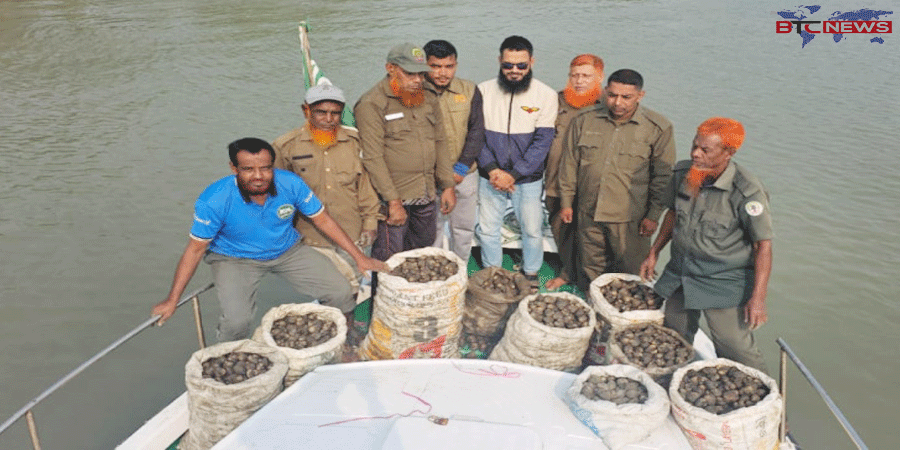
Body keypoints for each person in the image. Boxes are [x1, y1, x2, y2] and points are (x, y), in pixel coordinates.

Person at [152, 138, 388, 342]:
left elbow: (323, 220)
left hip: (287, 250)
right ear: (233, 168)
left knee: (340, 291)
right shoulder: (214, 199)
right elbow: (195, 250)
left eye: (265, 168)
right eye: (248, 169)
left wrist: (360, 258)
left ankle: (341, 340)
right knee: (237, 320)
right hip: (235, 257)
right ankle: (226, 353)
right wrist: (172, 299)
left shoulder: (291, 183)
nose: (258, 176)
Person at [639, 117, 773, 374]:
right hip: (681, 272)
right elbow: (673, 215)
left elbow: (762, 247)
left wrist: (758, 298)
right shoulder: (683, 174)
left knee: (734, 347)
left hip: (723, 280)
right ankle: (671, 380)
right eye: (694, 146)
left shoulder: (747, 192)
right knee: (674, 336)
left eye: (705, 150)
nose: (695, 154)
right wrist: (653, 253)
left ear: (728, 153)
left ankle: (767, 395)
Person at [558, 69, 674, 291]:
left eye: (626, 97)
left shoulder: (658, 128)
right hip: (588, 211)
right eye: (612, 95)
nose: (617, 102)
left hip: (629, 218)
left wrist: (653, 216)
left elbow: (663, 177)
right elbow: (569, 164)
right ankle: (593, 299)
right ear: (605, 92)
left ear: (640, 96)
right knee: (590, 266)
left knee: (630, 273)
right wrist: (566, 202)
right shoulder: (584, 120)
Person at [272, 84, 380, 297]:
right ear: (306, 110)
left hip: (351, 233)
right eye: (321, 112)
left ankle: (348, 316)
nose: (329, 119)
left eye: (335, 113)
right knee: (327, 292)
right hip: (311, 238)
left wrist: (370, 224)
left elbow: (365, 188)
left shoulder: (355, 143)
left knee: (353, 286)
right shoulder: (285, 147)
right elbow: (276, 196)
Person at [354, 42, 457, 261]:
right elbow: (373, 157)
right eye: (410, 73)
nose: (418, 80)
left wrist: (447, 185)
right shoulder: (372, 103)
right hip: (393, 198)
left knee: (422, 253)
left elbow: (440, 141)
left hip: (426, 192)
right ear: (390, 68)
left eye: (421, 73)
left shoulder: (428, 96)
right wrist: (393, 201)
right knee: (390, 258)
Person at [473, 35, 558, 286]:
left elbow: (542, 142)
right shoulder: (482, 91)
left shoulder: (546, 95)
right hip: (490, 176)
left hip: (528, 178)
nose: (514, 71)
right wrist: (493, 170)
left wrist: (514, 174)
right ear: (499, 61)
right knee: (488, 228)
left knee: (531, 229)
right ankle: (493, 272)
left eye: (521, 65)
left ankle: (531, 272)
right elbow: (476, 136)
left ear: (532, 62)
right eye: (508, 65)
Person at [543, 54, 605, 291]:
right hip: (555, 181)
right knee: (561, 229)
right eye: (574, 75)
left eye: (586, 76)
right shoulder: (556, 101)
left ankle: (593, 280)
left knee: (591, 236)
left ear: (599, 77)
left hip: (590, 185)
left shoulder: (607, 106)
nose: (579, 81)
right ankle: (567, 272)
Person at [423, 39, 481, 263]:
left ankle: (461, 268)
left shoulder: (469, 90)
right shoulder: (415, 93)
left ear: (456, 65)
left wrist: (461, 168)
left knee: (463, 229)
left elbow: (477, 131)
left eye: (449, 66)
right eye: (435, 66)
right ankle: (436, 270)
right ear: (425, 65)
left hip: (464, 175)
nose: (442, 73)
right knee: (432, 230)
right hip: (429, 176)